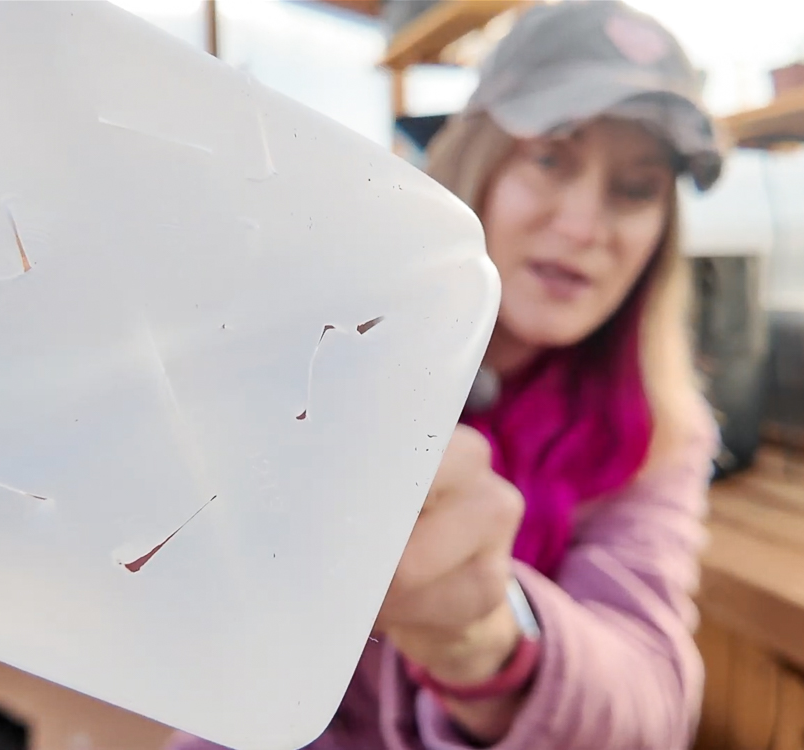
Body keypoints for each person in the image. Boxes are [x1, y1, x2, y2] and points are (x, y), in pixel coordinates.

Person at [169, 1, 722, 748]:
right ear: (478, 163)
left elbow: (655, 704)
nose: (583, 226)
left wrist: (491, 641)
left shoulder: (659, 431)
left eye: (636, 188)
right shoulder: (332, 335)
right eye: (550, 158)